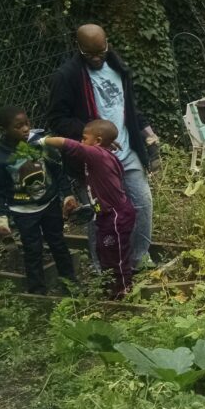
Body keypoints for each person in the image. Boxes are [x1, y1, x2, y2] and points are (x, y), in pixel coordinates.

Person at [47, 24, 157, 270]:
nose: (97, 58)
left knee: (142, 204)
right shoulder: (66, 76)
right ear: (78, 48)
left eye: (101, 51)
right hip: (94, 160)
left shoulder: (118, 67)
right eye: (90, 54)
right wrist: (92, 133)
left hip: (128, 151)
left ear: (107, 43)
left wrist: (147, 132)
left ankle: (139, 260)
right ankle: (104, 269)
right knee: (99, 214)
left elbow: (128, 107)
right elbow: (57, 119)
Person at [38, 120, 135, 298]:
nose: (81, 142)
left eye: (84, 138)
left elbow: (65, 144)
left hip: (115, 217)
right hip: (107, 215)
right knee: (104, 251)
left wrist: (41, 141)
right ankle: (111, 288)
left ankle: (123, 290)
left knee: (116, 254)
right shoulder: (101, 152)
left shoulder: (96, 154)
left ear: (97, 141)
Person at [0, 106, 78, 294]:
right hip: (24, 212)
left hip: (50, 203)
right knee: (33, 250)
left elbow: (56, 170)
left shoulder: (39, 144)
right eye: (18, 126)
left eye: (27, 123)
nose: (25, 129)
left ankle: (71, 285)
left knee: (58, 243)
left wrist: (67, 194)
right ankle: (37, 293)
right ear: (3, 129)